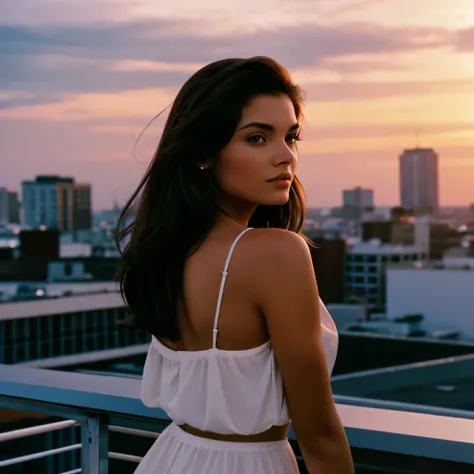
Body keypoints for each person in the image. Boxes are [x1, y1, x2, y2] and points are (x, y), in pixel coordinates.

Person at [116, 56, 354, 474]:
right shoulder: (277, 254)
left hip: (172, 458)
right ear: (203, 152)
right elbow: (319, 435)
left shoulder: (166, 252)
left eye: (290, 137)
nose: (286, 157)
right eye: (258, 138)